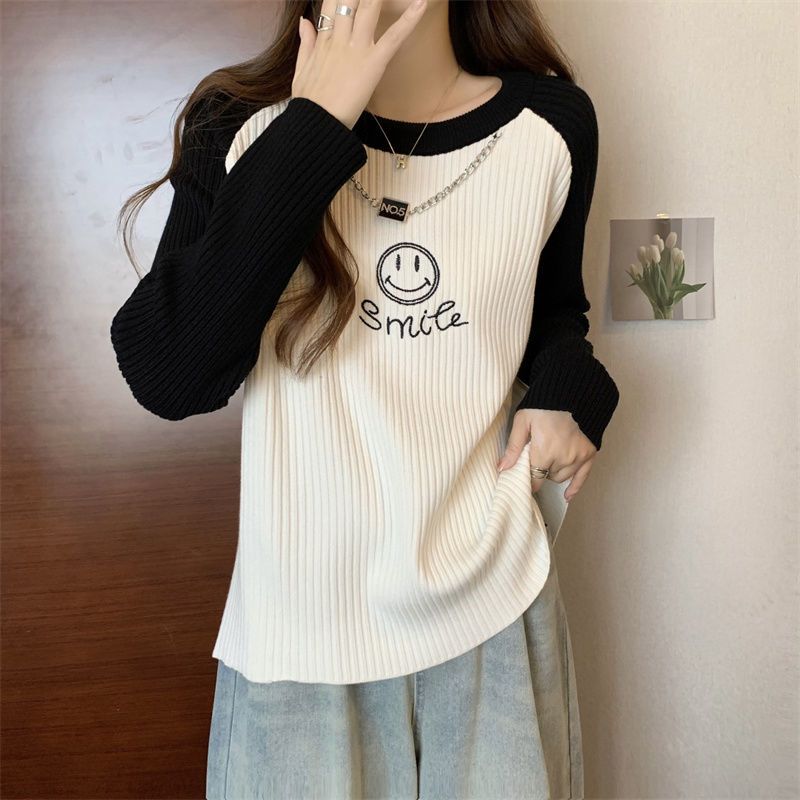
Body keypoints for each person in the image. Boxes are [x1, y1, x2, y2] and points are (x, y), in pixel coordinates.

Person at [110, 0, 620, 796]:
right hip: (301, 636)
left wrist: (568, 391)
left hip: (492, 605)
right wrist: (315, 122)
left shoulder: (553, 126)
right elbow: (170, 372)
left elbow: (554, 314)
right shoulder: (239, 122)